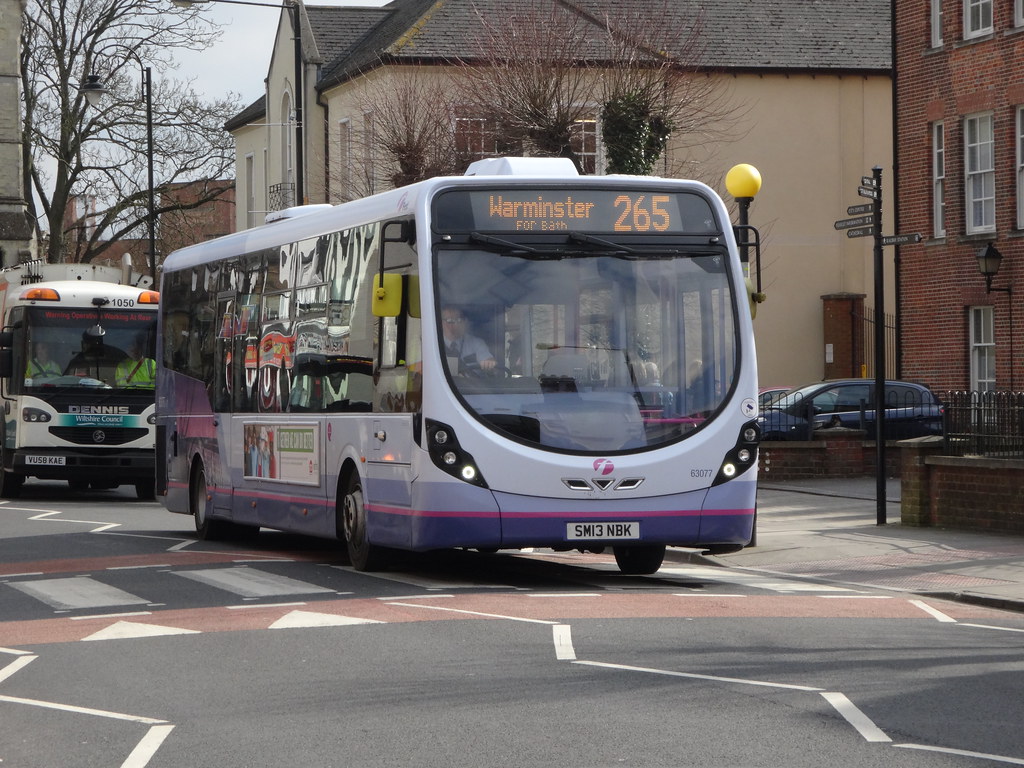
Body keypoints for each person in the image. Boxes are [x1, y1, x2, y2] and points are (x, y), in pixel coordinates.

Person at [441, 306, 495, 372]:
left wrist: (489, 363)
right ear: (440, 323)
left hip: (473, 382)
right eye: (449, 321)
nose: (455, 324)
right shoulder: (433, 345)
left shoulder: (476, 343)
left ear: (465, 322)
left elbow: (488, 359)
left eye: (459, 320)